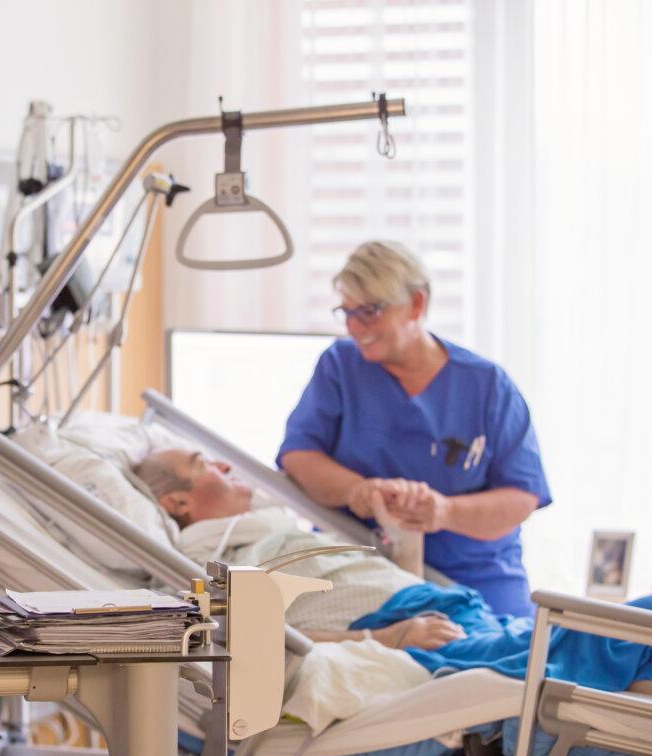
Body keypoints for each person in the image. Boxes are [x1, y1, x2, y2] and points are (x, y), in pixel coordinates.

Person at [134, 447, 652, 699]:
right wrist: (385, 637)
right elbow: (252, 638)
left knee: (604, 640)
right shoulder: (206, 568)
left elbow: (387, 577)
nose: (225, 467)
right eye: (205, 465)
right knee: (603, 639)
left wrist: (401, 534)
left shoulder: (278, 533)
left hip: (449, 608)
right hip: (421, 636)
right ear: (177, 501)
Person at [275, 241, 551, 617]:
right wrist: (357, 490)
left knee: (507, 658)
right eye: (347, 312)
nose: (356, 327)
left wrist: (444, 512)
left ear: (417, 304)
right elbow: (299, 456)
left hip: (475, 575)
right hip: (364, 566)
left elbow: (521, 496)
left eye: (370, 311)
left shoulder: (486, 386)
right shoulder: (340, 367)